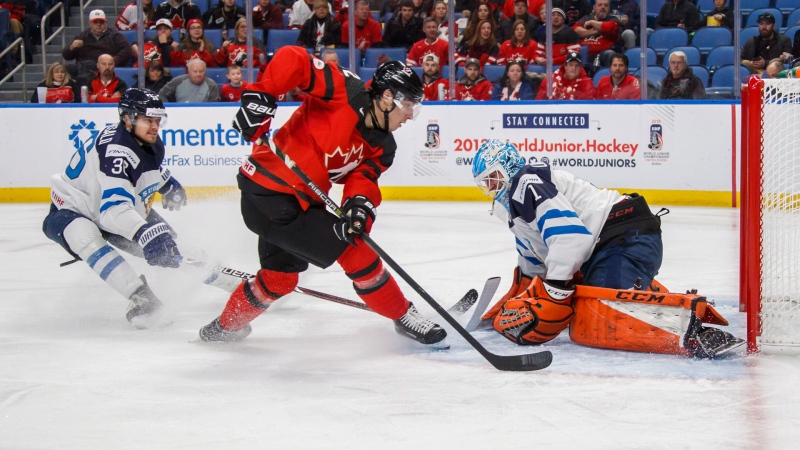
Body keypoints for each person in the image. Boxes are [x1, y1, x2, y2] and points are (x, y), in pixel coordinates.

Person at [198, 47, 448, 349]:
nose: (411, 115)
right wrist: (262, 95)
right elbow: (295, 59)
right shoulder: (346, 90)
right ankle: (404, 316)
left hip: (300, 202)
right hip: (269, 191)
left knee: (280, 279)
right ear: (386, 97)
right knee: (355, 252)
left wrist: (358, 210)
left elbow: (363, 181)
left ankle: (223, 328)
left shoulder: (384, 147)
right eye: (408, 105)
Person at [470, 139, 744, 358]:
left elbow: (570, 238)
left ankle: (695, 332)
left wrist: (553, 291)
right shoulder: (514, 207)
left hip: (625, 235)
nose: (491, 187)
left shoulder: (525, 182)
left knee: (600, 315)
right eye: (485, 183)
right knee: (584, 304)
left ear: (508, 166)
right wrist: (509, 306)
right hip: (615, 242)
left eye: (493, 177)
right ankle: (652, 298)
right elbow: (533, 264)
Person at [41, 89, 185, 329]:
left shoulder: (143, 140)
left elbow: (137, 171)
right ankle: (141, 298)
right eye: (147, 120)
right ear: (127, 119)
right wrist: (144, 233)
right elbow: (114, 207)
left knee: (171, 247)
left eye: (157, 120)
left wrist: (165, 181)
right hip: (71, 209)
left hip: (108, 206)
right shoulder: (115, 150)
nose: (154, 126)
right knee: (85, 235)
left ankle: (229, 283)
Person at [62, 10, 133, 80]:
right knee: (61, 70)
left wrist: (113, 60)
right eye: (95, 22)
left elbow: (127, 49)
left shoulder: (115, 35)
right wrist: (71, 47)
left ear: (106, 23)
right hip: (83, 68)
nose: (98, 24)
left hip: (104, 68)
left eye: (101, 22)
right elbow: (66, 56)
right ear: (90, 23)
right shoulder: (82, 36)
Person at [572, 0, 619, 68]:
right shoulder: (586, 18)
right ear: (594, 7)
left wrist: (591, 22)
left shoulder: (613, 19)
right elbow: (575, 30)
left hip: (603, 54)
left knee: (610, 54)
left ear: (609, 8)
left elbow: (609, 27)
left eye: (606, 5)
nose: (603, 7)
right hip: (584, 52)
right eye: (600, 5)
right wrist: (597, 31)